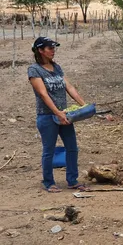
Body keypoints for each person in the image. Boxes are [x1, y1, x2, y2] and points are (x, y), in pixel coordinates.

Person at [28, 36, 89, 193]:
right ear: (40, 50)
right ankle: (48, 182)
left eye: (54, 48)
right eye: (50, 48)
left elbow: (69, 87)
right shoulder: (34, 70)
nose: (53, 51)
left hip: (65, 115)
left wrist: (84, 106)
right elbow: (43, 94)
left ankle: (72, 180)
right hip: (47, 116)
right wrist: (57, 112)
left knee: (72, 148)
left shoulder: (57, 68)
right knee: (49, 150)